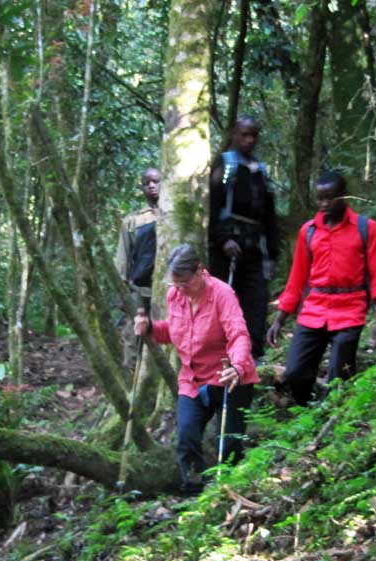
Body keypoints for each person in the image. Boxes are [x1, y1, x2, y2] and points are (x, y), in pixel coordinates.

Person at [134, 244, 258, 493]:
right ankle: (196, 495)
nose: (180, 289)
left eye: (185, 283)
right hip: (192, 380)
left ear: (200, 271)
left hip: (228, 378)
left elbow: (238, 333)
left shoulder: (223, 294)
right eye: (175, 283)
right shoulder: (175, 296)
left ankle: (231, 492)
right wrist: (149, 328)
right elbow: (174, 330)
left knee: (230, 445)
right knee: (186, 440)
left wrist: (237, 365)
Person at [266, 170, 376, 406]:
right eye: (320, 198)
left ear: (343, 196)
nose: (324, 204)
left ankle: (334, 417)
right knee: (294, 372)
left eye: (329, 198)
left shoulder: (366, 229)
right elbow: (296, 279)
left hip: (350, 311)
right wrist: (279, 320)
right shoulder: (309, 231)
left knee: (339, 376)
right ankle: (308, 411)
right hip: (314, 310)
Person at [208, 115, 278, 360]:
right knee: (224, 304)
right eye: (244, 135)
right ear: (235, 135)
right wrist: (222, 239)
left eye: (253, 135)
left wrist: (272, 254)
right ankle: (220, 358)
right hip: (226, 251)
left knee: (257, 304)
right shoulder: (224, 165)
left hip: (254, 249)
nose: (249, 140)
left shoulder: (261, 170)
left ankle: (253, 359)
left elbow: (269, 216)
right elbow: (212, 207)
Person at [115, 167, 162, 362]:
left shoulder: (175, 216)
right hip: (140, 290)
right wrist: (122, 291)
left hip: (169, 291)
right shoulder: (133, 221)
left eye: (156, 181)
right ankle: (133, 379)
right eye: (146, 183)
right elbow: (123, 258)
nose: (151, 186)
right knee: (132, 337)